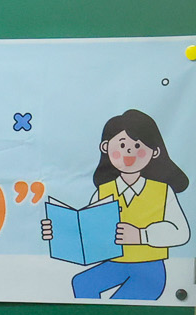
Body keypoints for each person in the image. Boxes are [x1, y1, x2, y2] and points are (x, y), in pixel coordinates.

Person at [40, 109, 190, 301]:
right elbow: (87, 232)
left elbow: (181, 232)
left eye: (137, 145)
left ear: (155, 151)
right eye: (122, 144)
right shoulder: (104, 191)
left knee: (119, 306)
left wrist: (141, 235)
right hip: (115, 264)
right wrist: (58, 231)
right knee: (82, 283)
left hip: (149, 267)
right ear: (105, 147)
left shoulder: (161, 191)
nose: (129, 151)